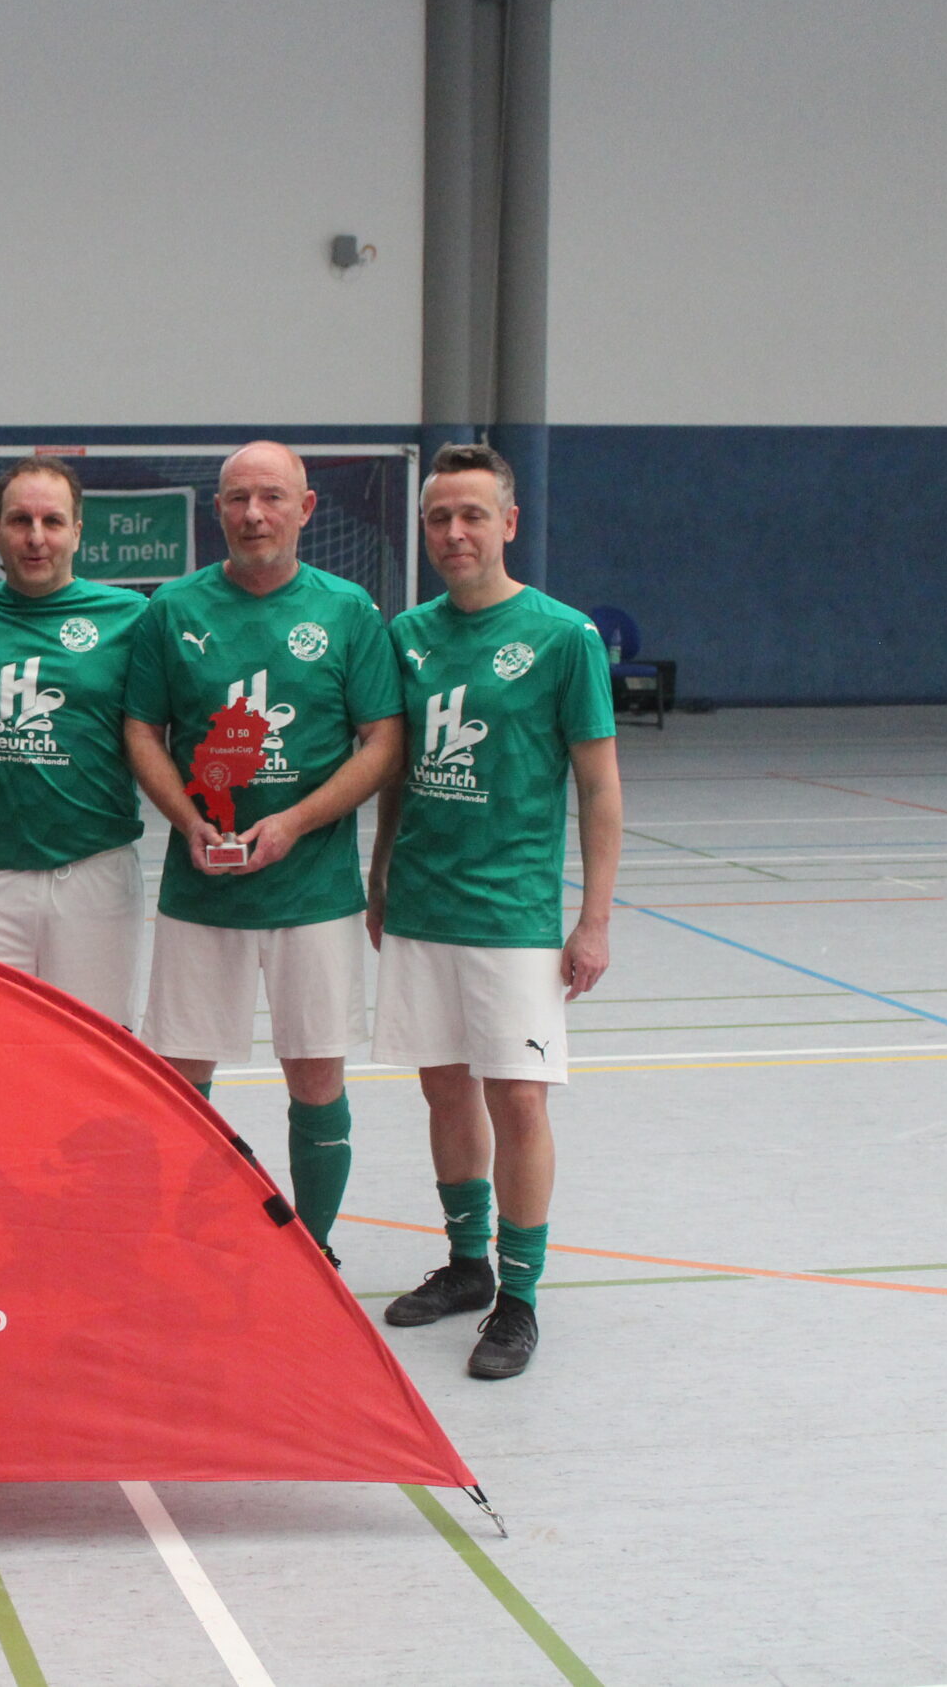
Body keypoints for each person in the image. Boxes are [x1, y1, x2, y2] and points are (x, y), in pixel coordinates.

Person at [368, 442, 620, 1380]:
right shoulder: (406, 634)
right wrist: (380, 872)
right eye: (439, 517)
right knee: (442, 1088)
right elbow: (396, 773)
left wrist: (593, 918)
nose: (455, 532)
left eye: (472, 514)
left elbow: (599, 786)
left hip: (513, 912)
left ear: (508, 523)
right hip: (422, 904)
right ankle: (467, 1262)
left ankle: (519, 1297)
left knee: (518, 1098)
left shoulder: (564, 637)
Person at [121, 443, 403, 1264]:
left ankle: (316, 1256)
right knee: (182, 1082)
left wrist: (295, 822)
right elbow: (142, 730)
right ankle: (188, 1248)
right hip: (201, 890)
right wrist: (187, 820)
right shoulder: (172, 608)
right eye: (238, 498)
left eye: (272, 497)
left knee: (315, 1077)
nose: (254, 514)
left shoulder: (348, 610)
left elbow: (384, 741)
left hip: (314, 892)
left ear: (306, 509)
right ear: (217, 509)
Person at [0, 457, 149, 1019]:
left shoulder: (132, 617)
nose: (36, 537)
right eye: (20, 521)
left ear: (78, 532)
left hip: (95, 871)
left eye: (52, 521)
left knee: (95, 1045)